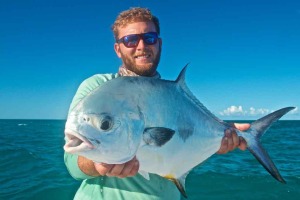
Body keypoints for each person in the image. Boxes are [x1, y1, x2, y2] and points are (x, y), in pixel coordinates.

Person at [64, 7, 250, 200]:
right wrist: (97, 164)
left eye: (149, 38)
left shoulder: (175, 95)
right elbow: (71, 164)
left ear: (159, 44)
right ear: (118, 49)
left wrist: (216, 141)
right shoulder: (97, 88)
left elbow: (178, 148)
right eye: (130, 40)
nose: (141, 46)